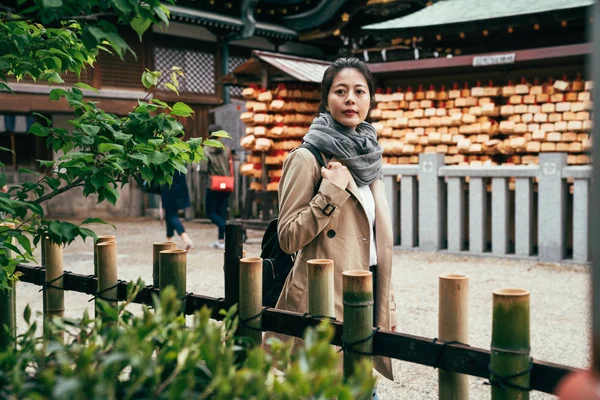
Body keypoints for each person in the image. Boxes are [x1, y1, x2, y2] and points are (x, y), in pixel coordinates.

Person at [265, 58, 398, 395]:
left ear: (370, 101)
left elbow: (371, 242)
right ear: (325, 100)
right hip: (323, 300)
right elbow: (288, 237)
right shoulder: (306, 158)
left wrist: (386, 300)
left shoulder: (369, 161)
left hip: (365, 295)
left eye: (359, 91)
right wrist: (331, 191)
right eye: (340, 91)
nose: (350, 99)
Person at [202, 124, 233, 250]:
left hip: (213, 185)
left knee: (210, 213)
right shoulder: (226, 149)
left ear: (209, 135)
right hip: (226, 184)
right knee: (222, 212)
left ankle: (227, 230)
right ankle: (221, 240)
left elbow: (203, 168)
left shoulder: (206, 149)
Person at [161, 170, 193, 251]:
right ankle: (169, 240)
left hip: (169, 188)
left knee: (171, 216)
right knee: (170, 214)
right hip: (179, 188)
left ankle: (185, 238)